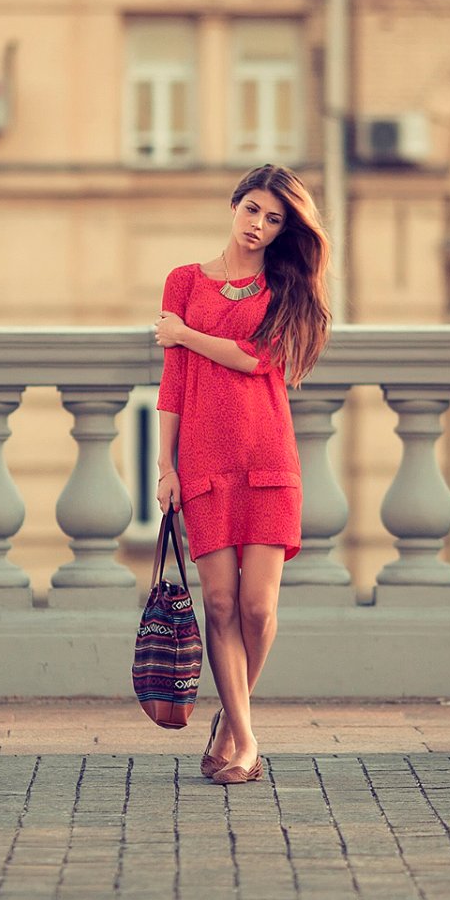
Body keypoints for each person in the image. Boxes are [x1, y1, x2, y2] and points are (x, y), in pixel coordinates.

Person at [153, 164, 332, 786]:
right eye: (253, 209)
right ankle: (247, 741)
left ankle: (230, 723)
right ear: (235, 205)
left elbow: (255, 361)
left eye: (275, 219)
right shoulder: (184, 280)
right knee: (221, 601)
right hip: (203, 458)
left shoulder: (285, 292)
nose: (259, 226)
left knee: (257, 607)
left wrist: (184, 333)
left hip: (268, 456)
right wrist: (164, 465)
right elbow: (172, 382)